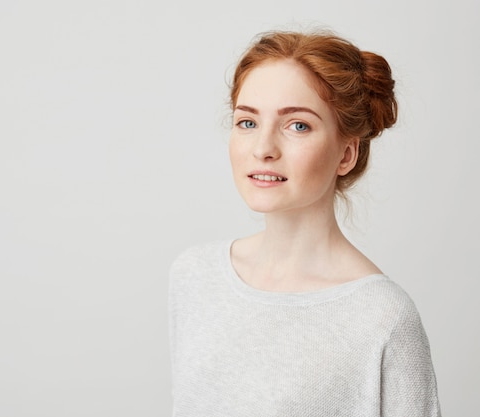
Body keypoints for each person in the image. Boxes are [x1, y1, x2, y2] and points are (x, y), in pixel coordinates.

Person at [168, 29, 441, 417]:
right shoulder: (193, 276)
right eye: (247, 123)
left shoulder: (382, 318)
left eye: (297, 125)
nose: (263, 149)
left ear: (346, 154)